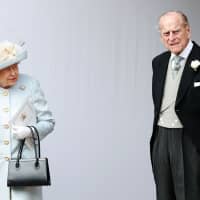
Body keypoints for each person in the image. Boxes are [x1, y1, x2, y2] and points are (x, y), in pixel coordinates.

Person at [151, 11, 200, 200]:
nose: (171, 38)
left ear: (188, 30)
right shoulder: (159, 62)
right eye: (166, 33)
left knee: (190, 195)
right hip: (161, 137)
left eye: (176, 31)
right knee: (163, 195)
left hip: (190, 139)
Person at [0, 40, 55, 200]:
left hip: (24, 173)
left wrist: (30, 131)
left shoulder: (30, 85)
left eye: (16, 66)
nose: (14, 72)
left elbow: (48, 122)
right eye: (7, 68)